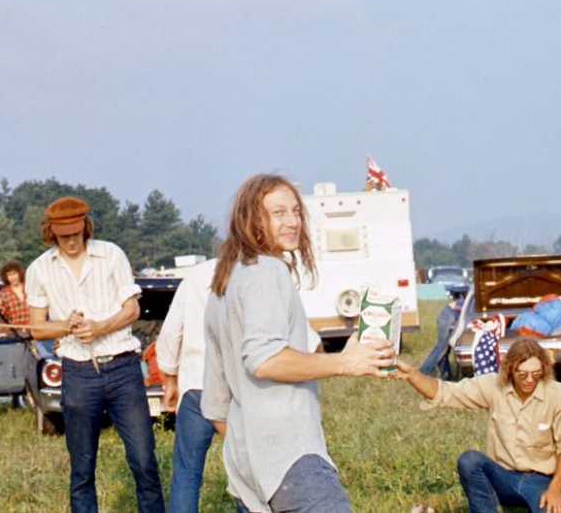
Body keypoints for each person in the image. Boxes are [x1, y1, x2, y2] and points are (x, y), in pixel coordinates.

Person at [201, 174, 395, 513]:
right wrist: (345, 363)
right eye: (278, 213)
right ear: (253, 221)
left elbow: (216, 402)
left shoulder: (225, 283)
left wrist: (255, 450)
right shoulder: (266, 271)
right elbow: (265, 359)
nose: (293, 221)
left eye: (296, 211)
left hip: (247, 467)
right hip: (291, 458)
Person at [26, 195, 165, 513]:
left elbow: (132, 309)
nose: (71, 241)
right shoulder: (40, 269)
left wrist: (101, 327)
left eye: (76, 233)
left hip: (123, 369)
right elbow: (36, 328)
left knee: (144, 461)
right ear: (52, 233)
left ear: (86, 228)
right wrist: (66, 325)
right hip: (78, 373)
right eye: (64, 236)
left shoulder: (111, 254)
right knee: (82, 469)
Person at [394, 337, 561, 513]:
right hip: (502, 477)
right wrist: (412, 375)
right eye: (522, 374)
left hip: (540, 481)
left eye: (536, 374)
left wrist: (556, 487)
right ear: (510, 370)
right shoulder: (493, 385)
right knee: (470, 460)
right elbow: (445, 392)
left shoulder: (558, 394)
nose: (530, 380)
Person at [156, 258, 218, 513]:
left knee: (187, 475)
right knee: (248, 474)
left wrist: (170, 378)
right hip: (239, 387)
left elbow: (171, 332)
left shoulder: (198, 274)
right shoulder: (261, 270)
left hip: (196, 384)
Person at [418, 293, 463, 379]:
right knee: (441, 348)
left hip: (450, 314)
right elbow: (457, 314)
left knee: (445, 349)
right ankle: (423, 372)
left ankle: (446, 375)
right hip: (448, 314)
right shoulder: (469, 301)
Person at [0, 260, 30, 336]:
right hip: (15, 334)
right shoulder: (3, 294)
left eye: (14, 274)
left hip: (33, 331)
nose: (13, 277)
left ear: (20, 273)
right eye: (9, 275)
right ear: (6, 277)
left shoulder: (29, 288)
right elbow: (0, 318)